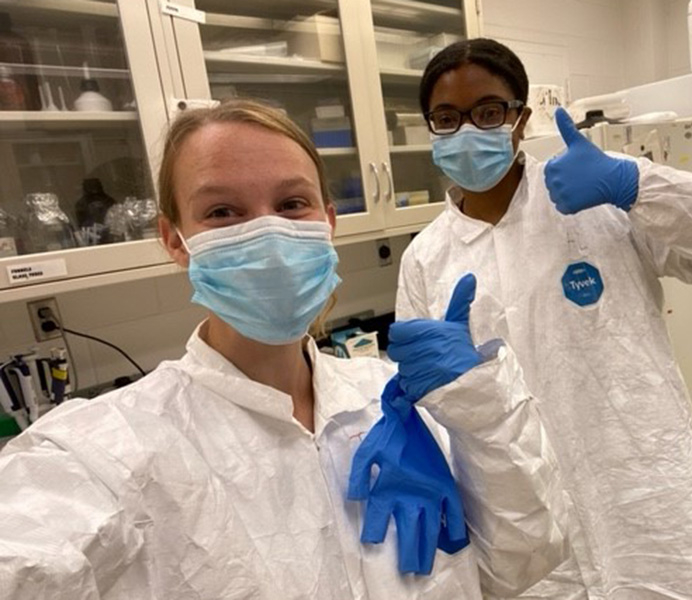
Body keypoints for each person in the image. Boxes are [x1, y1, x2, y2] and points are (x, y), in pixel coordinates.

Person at [0, 99, 568, 599]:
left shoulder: (397, 402)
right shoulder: (103, 452)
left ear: (327, 220)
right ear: (176, 240)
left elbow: (519, 565)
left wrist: (482, 418)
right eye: (223, 212)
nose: (267, 233)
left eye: (292, 203)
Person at [396, 38, 692, 599]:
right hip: (521, 522)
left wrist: (638, 187)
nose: (467, 131)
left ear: (521, 117)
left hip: (637, 495)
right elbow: (430, 406)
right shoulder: (425, 259)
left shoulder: (599, 198)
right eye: (447, 118)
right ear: (431, 129)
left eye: (488, 112)